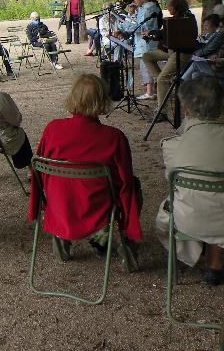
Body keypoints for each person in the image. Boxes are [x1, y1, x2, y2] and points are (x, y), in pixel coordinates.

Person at [155, 77, 224, 285]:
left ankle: (196, 255)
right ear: (221, 106)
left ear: (185, 109)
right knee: (221, 195)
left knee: (191, 199)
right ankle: (215, 265)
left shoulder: (172, 145)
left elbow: (173, 183)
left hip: (189, 223)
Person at [29, 74, 142, 266]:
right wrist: (127, 222)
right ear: (103, 101)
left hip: (59, 203)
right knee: (135, 185)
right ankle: (116, 239)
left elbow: (38, 169)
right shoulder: (114, 137)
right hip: (98, 207)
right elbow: (125, 182)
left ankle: (62, 234)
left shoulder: (53, 129)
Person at [141, 0, 199, 102]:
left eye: (169, 7)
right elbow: (167, 34)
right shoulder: (179, 17)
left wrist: (152, 33)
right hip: (172, 50)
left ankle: (161, 111)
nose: (168, 9)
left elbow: (170, 33)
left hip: (181, 53)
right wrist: (152, 34)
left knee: (163, 78)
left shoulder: (186, 18)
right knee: (147, 56)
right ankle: (162, 83)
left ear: (175, 7)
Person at [118, 0, 161, 100]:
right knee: (145, 66)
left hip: (146, 42)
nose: (134, 1)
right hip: (143, 41)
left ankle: (150, 92)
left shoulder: (148, 9)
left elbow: (142, 27)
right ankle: (151, 90)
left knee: (146, 66)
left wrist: (127, 29)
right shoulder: (144, 8)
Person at [182, 15, 224, 81]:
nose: (220, 30)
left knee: (196, 63)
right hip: (223, 68)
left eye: (221, 27)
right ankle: (185, 86)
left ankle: (180, 83)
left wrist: (216, 61)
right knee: (195, 75)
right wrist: (216, 56)